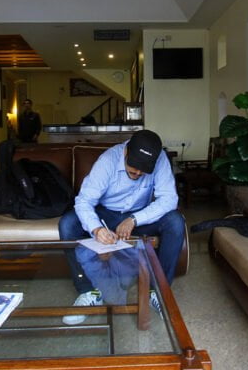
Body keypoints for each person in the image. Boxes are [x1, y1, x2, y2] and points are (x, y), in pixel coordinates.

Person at [58, 129, 185, 325]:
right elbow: (84, 201)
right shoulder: (108, 160)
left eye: (144, 171)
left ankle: (158, 292)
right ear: (126, 153)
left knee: (176, 222)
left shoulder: (160, 159)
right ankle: (89, 291)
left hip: (138, 216)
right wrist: (96, 229)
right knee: (67, 224)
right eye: (133, 169)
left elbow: (169, 199)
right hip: (106, 214)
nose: (138, 174)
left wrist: (134, 219)